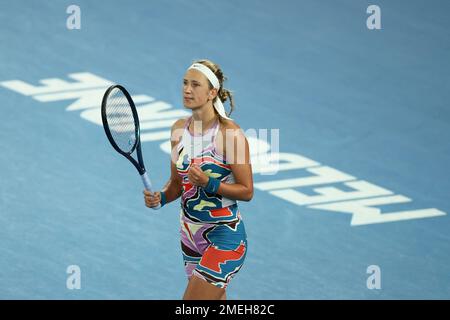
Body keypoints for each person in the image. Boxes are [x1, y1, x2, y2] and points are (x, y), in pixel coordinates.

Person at [144, 59, 253, 300]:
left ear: (212, 92)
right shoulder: (178, 130)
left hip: (224, 236)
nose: (187, 89)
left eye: (195, 84)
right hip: (190, 236)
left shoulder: (230, 134)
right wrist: (160, 197)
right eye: (185, 83)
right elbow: (176, 184)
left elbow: (246, 191)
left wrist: (209, 183)